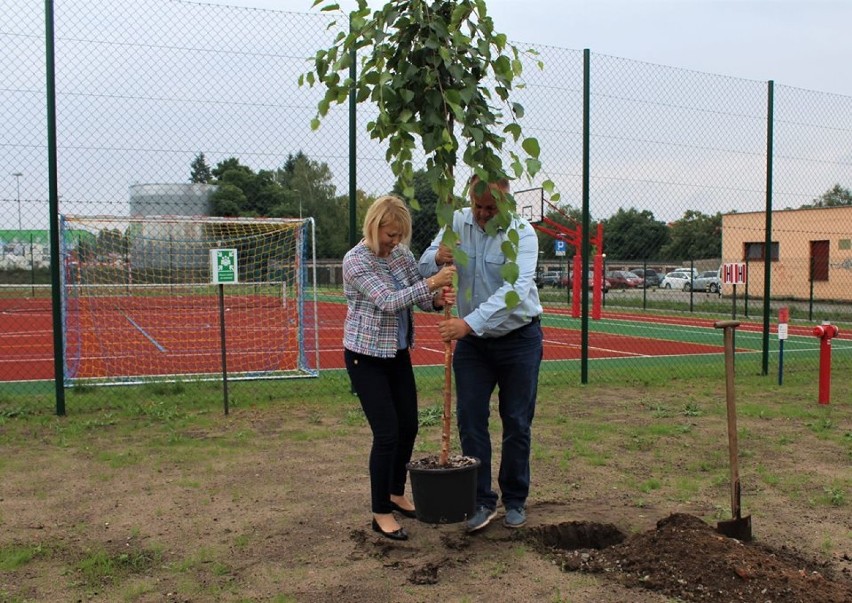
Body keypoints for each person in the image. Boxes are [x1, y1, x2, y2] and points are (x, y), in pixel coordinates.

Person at [418, 175, 543, 532]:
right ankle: (481, 500)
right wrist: (437, 256)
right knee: (470, 420)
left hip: (518, 338)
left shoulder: (523, 234)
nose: (483, 214)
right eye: (479, 207)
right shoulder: (457, 221)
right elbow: (427, 263)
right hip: (474, 345)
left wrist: (468, 323)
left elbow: (516, 290)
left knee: (517, 421)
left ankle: (515, 499)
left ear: (507, 204)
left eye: (491, 208)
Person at [343, 195, 456, 541]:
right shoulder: (355, 261)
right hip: (366, 356)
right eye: (390, 235)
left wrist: (437, 299)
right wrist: (433, 283)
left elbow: (419, 298)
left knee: (408, 426)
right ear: (374, 227)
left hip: (397, 353)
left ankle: (395, 492)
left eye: (399, 236)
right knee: (387, 433)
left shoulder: (402, 256)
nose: (394, 242)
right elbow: (389, 301)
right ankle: (380, 511)